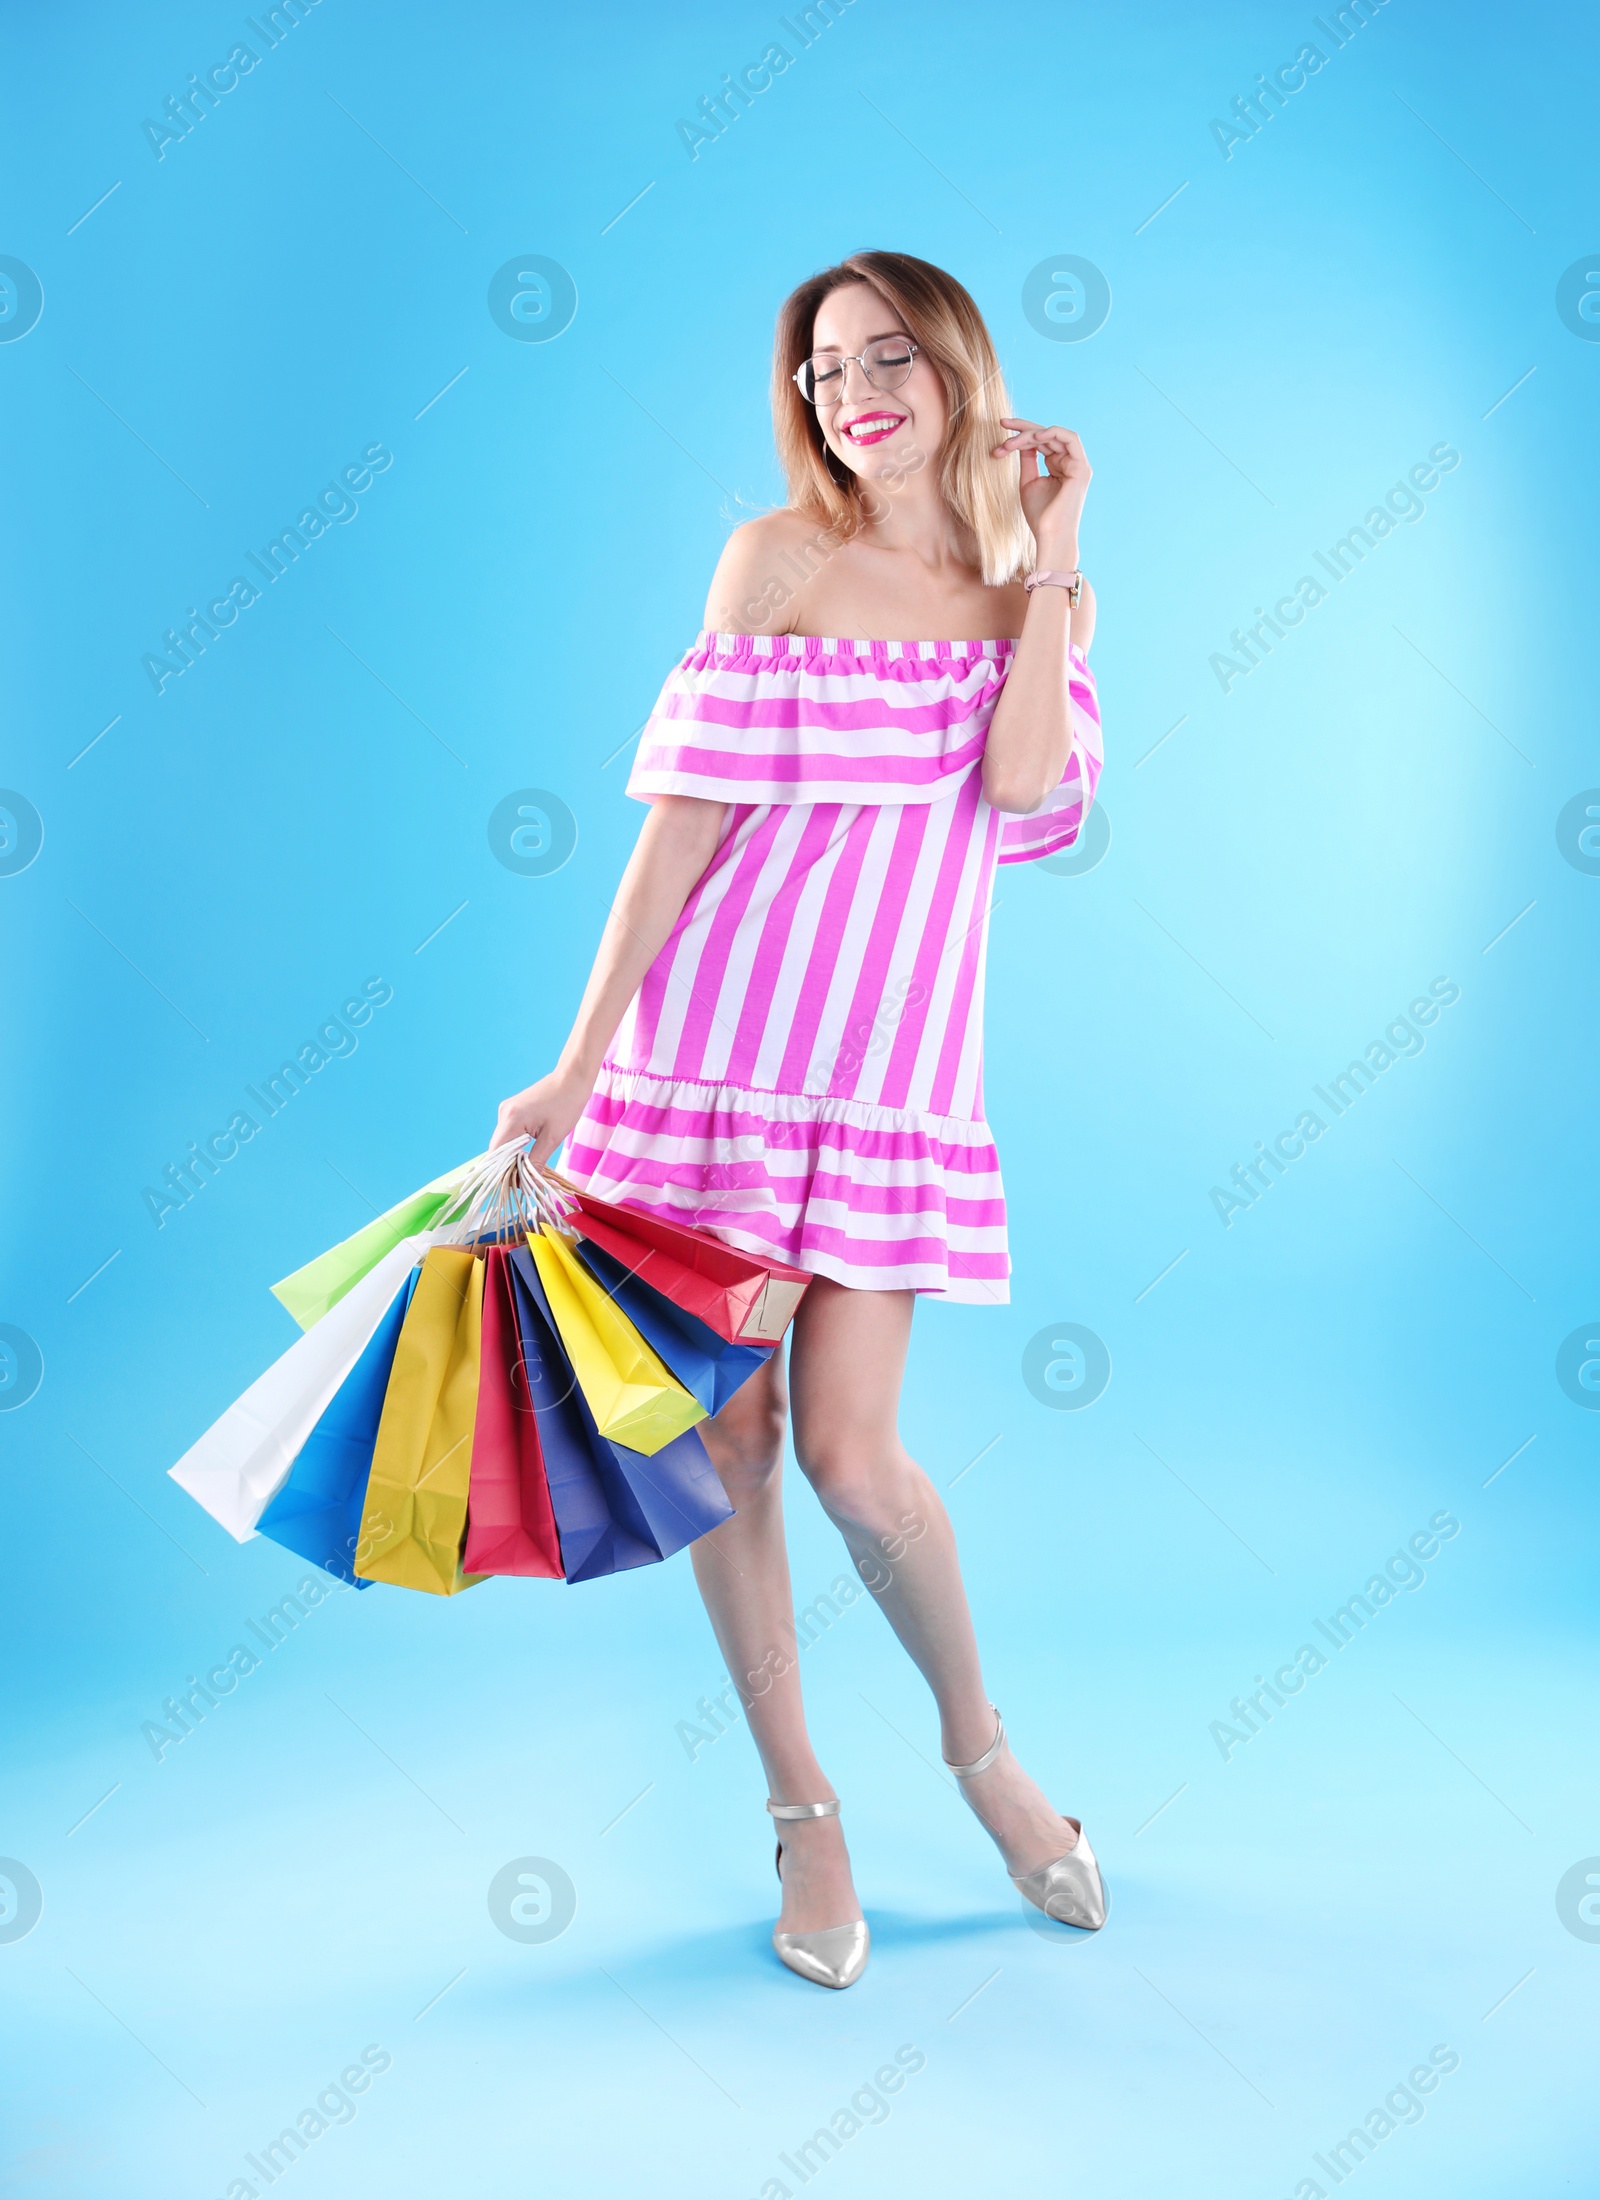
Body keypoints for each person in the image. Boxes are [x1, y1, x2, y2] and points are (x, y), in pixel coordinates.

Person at [492, 250, 1106, 1988]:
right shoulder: (774, 564)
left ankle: (985, 1761)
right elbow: (678, 834)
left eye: (891, 356)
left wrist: (1054, 556)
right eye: (827, 369)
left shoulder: (1025, 592)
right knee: (734, 1445)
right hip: (710, 1080)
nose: (856, 392)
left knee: (856, 1453)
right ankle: (800, 1808)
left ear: (962, 371)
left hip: (889, 1085)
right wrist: (580, 1061)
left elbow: (1015, 790)